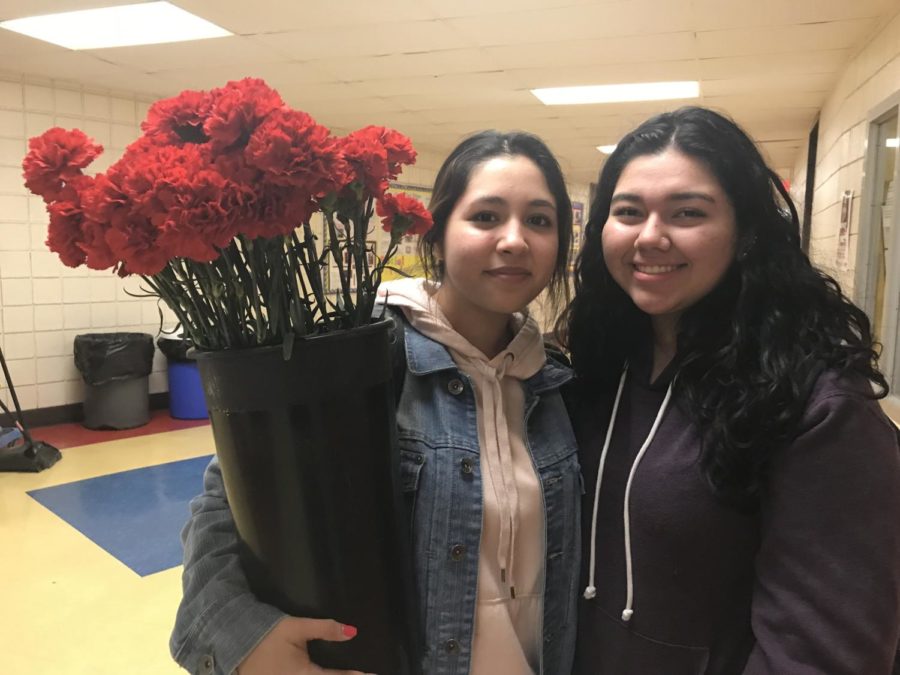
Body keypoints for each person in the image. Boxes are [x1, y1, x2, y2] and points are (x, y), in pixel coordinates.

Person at [170, 130, 582, 675]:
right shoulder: (360, 358)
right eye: (485, 217)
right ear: (437, 231)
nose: (514, 240)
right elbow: (229, 504)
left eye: (539, 220)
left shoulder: (556, 384)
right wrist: (240, 637)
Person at [561, 106, 900, 674]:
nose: (650, 236)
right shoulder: (598, 368)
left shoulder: (815, 404)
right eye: (628, 212)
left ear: (744, 232)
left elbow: (826, 653)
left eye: (687, 212)